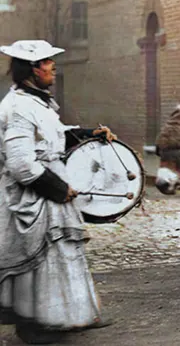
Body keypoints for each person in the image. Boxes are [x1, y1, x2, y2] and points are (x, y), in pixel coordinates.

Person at [0, 40, 115, 344]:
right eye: (48, 62)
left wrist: (90, 134)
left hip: (49, 190)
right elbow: (21, 163)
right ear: (32, 70)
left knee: (59, 254)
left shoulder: (36, 102)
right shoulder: (18, 108)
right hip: (32, 195)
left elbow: (54, 138)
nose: (53, 67)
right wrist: (58, 189)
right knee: (36, 260)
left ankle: (65, 316)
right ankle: (32, 325)